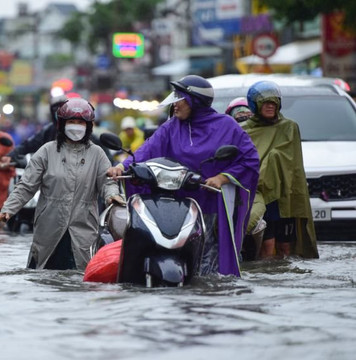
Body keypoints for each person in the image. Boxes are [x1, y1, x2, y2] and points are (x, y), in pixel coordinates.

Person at [107, 75, 260, 277]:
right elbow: (146, 151)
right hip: (177, 204)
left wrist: (222, 178)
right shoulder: (171, 127)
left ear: (195, 102)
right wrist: (121, 166)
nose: (175, 104)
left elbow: (250, 160)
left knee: (209, 267)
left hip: (211, 205)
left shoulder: (227, 126)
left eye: (180, 98)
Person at [0, 98, 123, 271]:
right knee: (43, 278)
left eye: (80, 122)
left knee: (80, 278)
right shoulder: (46, 151)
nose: (76, 126)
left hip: (83, 228)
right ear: (62, 124)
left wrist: (113, 196)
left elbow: (107, 181)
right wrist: (7, 211)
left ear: (88, 125)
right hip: (49, 225)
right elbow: (26, 186)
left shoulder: (97, 154)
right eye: (71, 121)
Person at [241, 81, 319, 259]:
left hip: (284, 195)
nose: (270, 106)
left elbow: (293, 162)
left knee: (285, 247)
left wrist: (274, 160)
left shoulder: (289, 127)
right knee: (266, 246)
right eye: (266, 103)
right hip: (260, 195)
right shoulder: (243, 131)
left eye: (273, 103)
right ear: (255, 104)